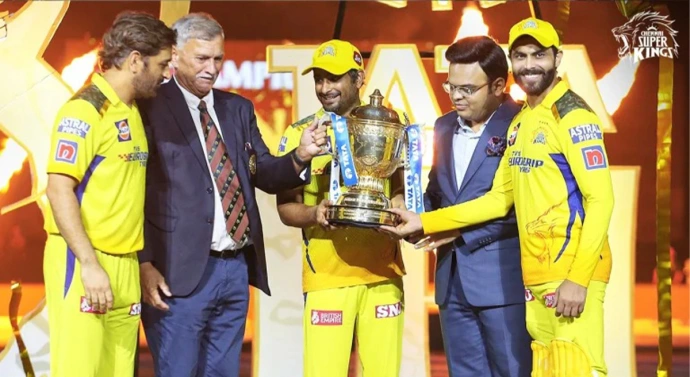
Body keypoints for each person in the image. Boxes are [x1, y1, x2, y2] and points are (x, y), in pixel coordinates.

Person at [382, 17, 614, 377]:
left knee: (577, 369)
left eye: (538, 54)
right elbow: (498, 199)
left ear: (558, 57)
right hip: (534, 279)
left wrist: (579, 278)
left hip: (567, 275)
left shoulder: (573, 116)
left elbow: (601, 199)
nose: (529, 64)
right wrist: (421, 218)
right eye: (520, 55)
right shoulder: (524, 122)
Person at [138, 13, 327, 377]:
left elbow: (265, 174)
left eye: (219, 59)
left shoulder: (237, 109)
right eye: (202, 59)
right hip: (176, 273)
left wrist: (300, 155)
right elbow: (137, 192)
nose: (212, 69)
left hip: (235, 269)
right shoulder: (150, 107)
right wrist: (144, 263)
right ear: (175, 55)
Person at [42, 11, 175, 377]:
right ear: (135, 61)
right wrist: (88, 263)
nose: (166, 74)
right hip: (84, 263)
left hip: (126, 266)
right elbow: (58, 188)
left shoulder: (133, 110)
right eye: (162, 64)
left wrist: (141, 264)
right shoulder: (84, 111)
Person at [275, 39, 406, 377]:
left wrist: (399, 209)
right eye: (319, 78)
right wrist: (315, 213)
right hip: (327, 278)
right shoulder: (302, 133)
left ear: (358, 78)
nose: (324, 88)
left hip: (383, 275)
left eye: (333, 78)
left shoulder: (393, 124)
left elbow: (403, 190)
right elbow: (286, 208)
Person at [421, 35, 531, 377]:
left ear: (499, 85)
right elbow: (437, 193)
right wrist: (404, 206)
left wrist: (453, 229)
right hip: (451, 284)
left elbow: (527, 208)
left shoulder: (524, 124)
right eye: (450, 86)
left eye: (467, 89)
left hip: (503, 282)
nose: (456, 96)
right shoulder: (442, 127)